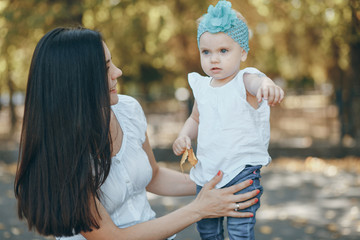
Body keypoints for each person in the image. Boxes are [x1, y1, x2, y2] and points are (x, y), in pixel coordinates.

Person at [14, 27, 263, 240]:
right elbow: (112, 237)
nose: (118, 72)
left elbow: (152, 175)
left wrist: (221, 181)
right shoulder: (58, 154)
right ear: (76, 83)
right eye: (105, 68)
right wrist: (199, 209)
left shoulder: (128, 110)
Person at [172, 1, 285, 240]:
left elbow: (257, 83)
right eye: (206, 52)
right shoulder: (202, 87)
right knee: (207, 229)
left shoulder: (244, 79)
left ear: (242, 52)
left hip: (241, 171)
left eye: (224, 51)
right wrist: (184, 135)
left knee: (239, 229)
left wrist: (266, 85)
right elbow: (195, 117)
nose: (214, 59)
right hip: (208, 172)